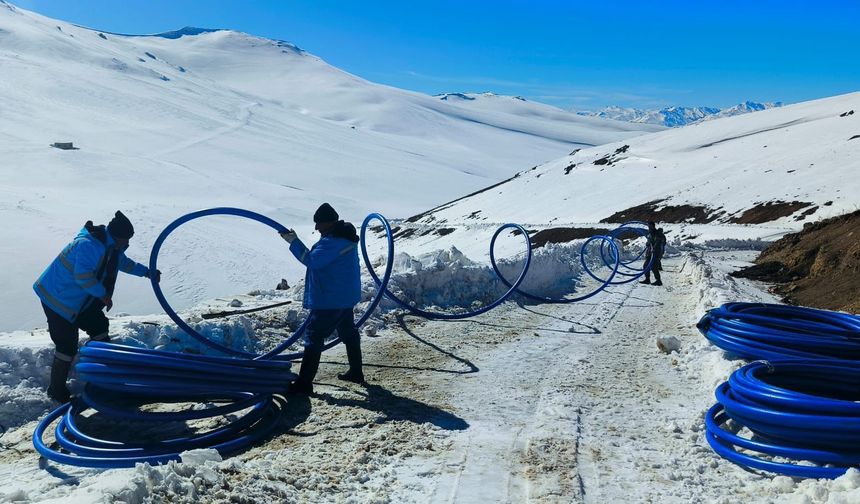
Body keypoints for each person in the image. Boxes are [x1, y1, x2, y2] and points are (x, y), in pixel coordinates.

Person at [33, 211, 160, 403]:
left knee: (99, 327)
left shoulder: (110, 246)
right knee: (66, 345)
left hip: (80, 298)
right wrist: (103, 295)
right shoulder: (90, 245)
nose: (126, 244)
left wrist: (146, 272)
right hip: (57, 298)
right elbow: (83, 276)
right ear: (116, 236)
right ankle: (56, 390)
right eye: (125, 240)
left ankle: (103, 377)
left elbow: (123, 263)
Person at [280, 203, 363, 395]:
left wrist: (293, 242)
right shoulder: (343, 238)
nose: (316, 228)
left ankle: (304, 384)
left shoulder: (333, 242)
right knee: (348, 331)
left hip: (331, 299)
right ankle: (356, 372)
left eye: (319, 224)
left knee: (314, 336)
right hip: (343, 296)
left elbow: (312, 260)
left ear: (329, 223)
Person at [639, 221, 664, 286]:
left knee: (654, 266)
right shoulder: (650, 233)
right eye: (648, 226)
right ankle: (647, 279)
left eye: (650, 226)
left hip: (655, 252)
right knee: (645, 266)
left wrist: (654, 248)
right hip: (650, 252)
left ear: (653, 226)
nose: (649, 227)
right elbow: (649, 242)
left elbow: (658, 242)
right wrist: (648, 244)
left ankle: (658, 281)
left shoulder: (657, 233)